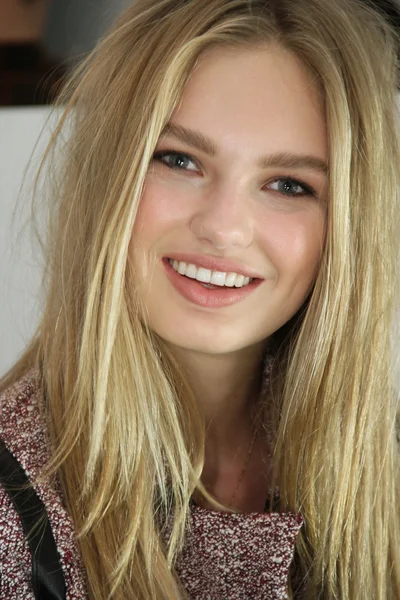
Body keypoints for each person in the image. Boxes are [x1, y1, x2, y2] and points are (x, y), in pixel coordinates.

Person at [1, 0, 399, 598]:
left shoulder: (380, 469)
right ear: (107, 173)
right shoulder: (12, 513)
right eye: (179, 159)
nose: (225, 229)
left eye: (289, 184)